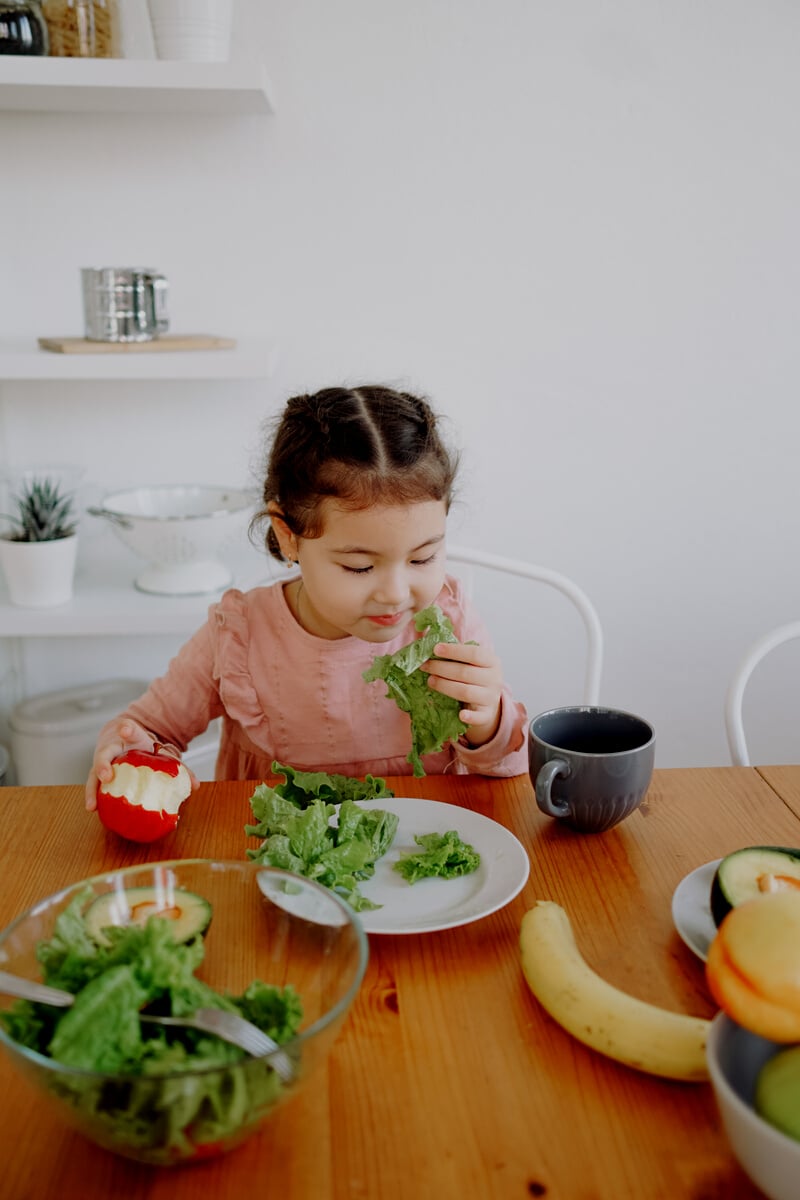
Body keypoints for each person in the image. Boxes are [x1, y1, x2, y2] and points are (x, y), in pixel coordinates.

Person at [85, 384, 528, 810]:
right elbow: (150, 727)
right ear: (288, 536)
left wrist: (487, 722)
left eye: (423, 558)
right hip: (279, 864)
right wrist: (130, 749)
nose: (395, 594)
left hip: (415, 855)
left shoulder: (448, 619)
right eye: (359, 567)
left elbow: (510, 767)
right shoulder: (239, 634)